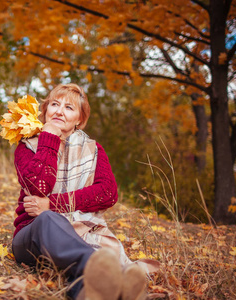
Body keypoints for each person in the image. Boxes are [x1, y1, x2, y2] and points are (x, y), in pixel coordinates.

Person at [11, 83, 148, 300]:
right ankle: (104, 271)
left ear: (79, 120)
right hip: (31, 236)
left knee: (51, 216)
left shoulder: (93, 149)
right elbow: (39, 187)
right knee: (47, 219)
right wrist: (49, 138)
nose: (59, 111)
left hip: (80, 231)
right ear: (45, 110)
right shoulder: (26, 147)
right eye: (54, 104)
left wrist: (52, 204)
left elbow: (107, 193)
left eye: (69, 107)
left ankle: (90, 290)